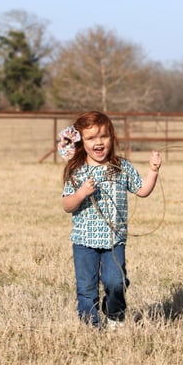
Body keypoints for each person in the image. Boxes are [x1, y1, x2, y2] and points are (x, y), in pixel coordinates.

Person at [60, 111, 162, 329]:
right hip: (84, 240)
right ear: (81, 142)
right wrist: (81, 193)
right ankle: (91, 324)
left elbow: (142, 190)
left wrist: (153, 171)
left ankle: (115, 314)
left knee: (116, 282)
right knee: (86, 287)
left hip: (114, 240)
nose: (98, 142)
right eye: (90, 138)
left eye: (103, 136)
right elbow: (67, 205)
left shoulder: (121, 167)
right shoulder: (77, 171)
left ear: (111, 138)